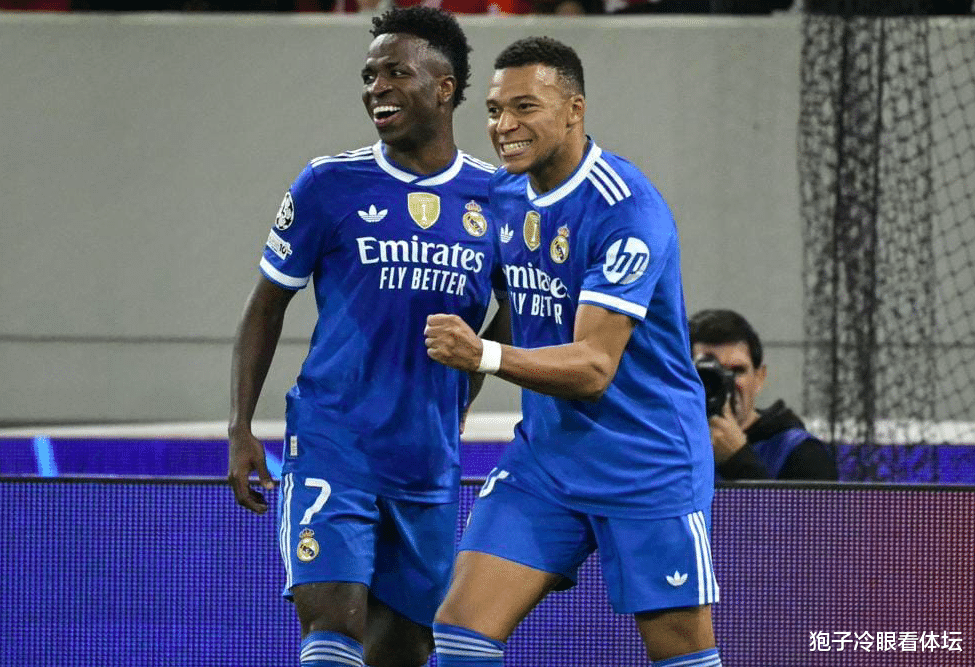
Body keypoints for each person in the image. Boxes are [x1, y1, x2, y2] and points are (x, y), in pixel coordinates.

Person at [424, 37, 723, 667]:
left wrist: (482, 357)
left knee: (682, 656)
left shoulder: (627, 211)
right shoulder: (506, 196)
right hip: (546, 461)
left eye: (524, 107)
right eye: (494, 110)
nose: (503, 125)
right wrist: (458, 401)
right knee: (459, 632)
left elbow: (592, 368)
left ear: (574, 110)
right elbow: (517, 304)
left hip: (646, 463)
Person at [227, 8, 500, 667]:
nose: (376, 86)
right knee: (334, 620)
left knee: (405, 646)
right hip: (334, 442)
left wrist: (463, 390)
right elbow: (265, 306)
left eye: (396, 72)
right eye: (369, 75)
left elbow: (517, 310)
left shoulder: (497, 197)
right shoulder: (328, 184)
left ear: (444, 86)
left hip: (427, 458)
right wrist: (240, 426)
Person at [688, 308, 838, 481]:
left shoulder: (799, 453)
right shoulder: (667, 444)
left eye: (737, 371)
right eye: (708, 373)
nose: (724, 383)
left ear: (759, 377)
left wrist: (738, 460)